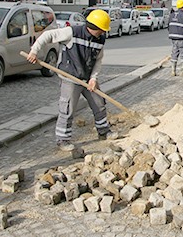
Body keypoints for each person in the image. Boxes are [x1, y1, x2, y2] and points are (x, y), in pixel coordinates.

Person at [26, 9, 118, 151]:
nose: (103, 32)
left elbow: (98, 60)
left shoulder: (100, 39)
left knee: (99, 103)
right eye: (101, 29)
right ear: (94, 27)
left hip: (87, 78)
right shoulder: (72, 32)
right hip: (69, 76)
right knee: (67, 108)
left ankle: (104, 132)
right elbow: (48, 35)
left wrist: (93, 78)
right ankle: (62, 140)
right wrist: (34, 51)